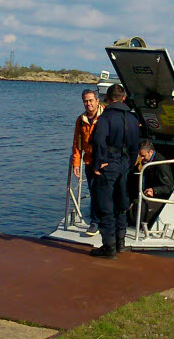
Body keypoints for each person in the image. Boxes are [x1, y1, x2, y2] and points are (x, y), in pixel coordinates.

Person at [89, 84, 140, 259]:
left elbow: (99, 141)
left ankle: (109, 247)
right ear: (123, 97)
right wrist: (130, 164)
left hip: (109, 165)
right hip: (125, 165)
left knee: (106, 205)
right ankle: (121, 243)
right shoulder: (133, 119)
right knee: (121, 204)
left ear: (108, 99)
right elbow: (135, 146)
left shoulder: (106, 118)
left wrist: (98, 164)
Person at [70, 89, 103, 236]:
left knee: (106, 192)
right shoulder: (80, 120)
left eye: (90, 100)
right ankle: (95, 222)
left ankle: (105, 220)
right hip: (89, 162)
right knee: (93, 191)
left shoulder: (107, 115)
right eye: (85, 101)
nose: (88, 104)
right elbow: (77, 143)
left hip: (105, 163)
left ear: (97, 100)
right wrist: (76, 163)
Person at [131, 139, 174, 226]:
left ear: (151, 152)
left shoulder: (161, 164)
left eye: (143, 156)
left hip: (159, 196)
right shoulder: (147, 161)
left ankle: (139, 226)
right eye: (140, 155)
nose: (141, 158)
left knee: (139, 205)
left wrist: (154, 190)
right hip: (146, 191)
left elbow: (169, 187)